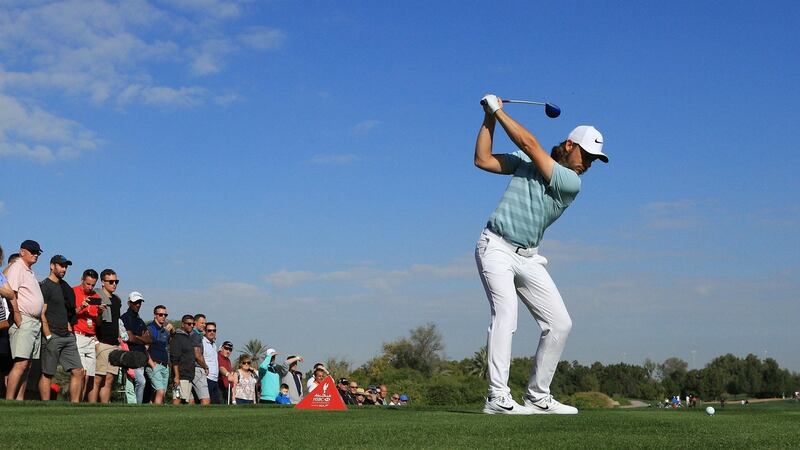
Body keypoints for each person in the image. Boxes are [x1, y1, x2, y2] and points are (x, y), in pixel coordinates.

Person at [474, 95, 609, 415]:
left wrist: (497, 109)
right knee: (506, 316)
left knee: (560, 323)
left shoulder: (570, 183)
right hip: (495, 246)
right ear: (568, 145)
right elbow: (483, 160)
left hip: (529, 257)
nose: (587, 164)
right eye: (585, 155)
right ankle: (497, 397)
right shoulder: (525, 159)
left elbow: (532, 143)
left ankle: (537, 395)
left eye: (593, 160)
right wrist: (489, 118)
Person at [38, 255, 84, 402]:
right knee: (48, 373)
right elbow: (41, 313)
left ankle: (75, 406)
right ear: (52, 266)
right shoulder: (45, 286)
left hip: (67, 335)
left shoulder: (65, 287)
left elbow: (69, 311)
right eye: (61, 265)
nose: (64, 269)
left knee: (78, 371)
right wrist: (48, 335)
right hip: (52, 334)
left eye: (66, 266)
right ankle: (45, 406)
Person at [5, 240, 45, 400]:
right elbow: (11, 293)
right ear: (22, 252)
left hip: (34, 321)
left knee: (27, 364)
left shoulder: (29, 270)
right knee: (21, 363)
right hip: (24, 319)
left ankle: (19, 400)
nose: (36, 254)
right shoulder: (17, 267)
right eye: (32, 251)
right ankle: (9, 399)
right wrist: (17, 315)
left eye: (37, 252)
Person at [73, 269, 101, 402]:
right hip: (78, 335)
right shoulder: (74, 292)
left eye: (93, 285)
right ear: (82, 280)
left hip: (91, 337)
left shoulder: (96, 296)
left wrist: (100, 312)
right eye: (88, 284)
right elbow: (69, 314)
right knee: (80, 372)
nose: (90, 287)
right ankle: (75, 401)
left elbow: (98, 322)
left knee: (90, 375)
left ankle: (82, 402)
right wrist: (81, 307)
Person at [94, 268, 122, 403]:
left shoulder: (117, 300)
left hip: (114, 343)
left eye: (116, 281)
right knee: (98, 377)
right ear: (103, 282)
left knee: (110, 378)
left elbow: (116, 321)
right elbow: (95, 321)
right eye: (111, 281)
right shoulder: (96, 296)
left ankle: (104, 407)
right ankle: (91, 407)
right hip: (102, 342)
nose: (114, 284)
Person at [120, 291, 151, 403]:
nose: (138, 305)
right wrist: (141, 339)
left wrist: (137, 338)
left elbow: (149, 339)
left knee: (133, 383)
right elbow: (129, 338)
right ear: (129, 303)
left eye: (139, 302)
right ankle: (138, 405)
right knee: (141, 382)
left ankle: (133, 406)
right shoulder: (124, 318)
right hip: (130, 355)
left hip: (141, 355)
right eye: (135, 302)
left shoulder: (140, 320)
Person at [146, 304, 170, 404]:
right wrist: (152, 365)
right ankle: (158, 415)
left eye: (165, 315)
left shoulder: (165, 332)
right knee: (160, 391)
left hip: (165, 366)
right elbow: (145, 349)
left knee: (161, 393)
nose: (163, 317)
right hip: (155, 365)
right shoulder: (150, 329)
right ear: (155, 315)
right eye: (160, 314)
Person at [170, 315, 196, 405]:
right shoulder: (177, 338)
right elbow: (174, 359)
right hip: (181, 375)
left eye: (193, 324)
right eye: (189, 324)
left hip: (188, 375)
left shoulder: (187, 337)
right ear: (182, 324)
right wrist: (176, 377)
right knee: (178, 398)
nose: (191, 326)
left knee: (189, 401)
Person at [190, 313, 210, 405]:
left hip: (188, 368)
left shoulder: (190, 334)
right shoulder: (195, 335)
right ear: (195, 323)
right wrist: (205, 366)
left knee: (190, 399)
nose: (204, 325)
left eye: (204, 323)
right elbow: (197, 355)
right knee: (205, 399)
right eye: (202, 323)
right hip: (197, 368)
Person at [202, 321, 220, 404]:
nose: (212, 332)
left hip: (215, 378)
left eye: (214, 330)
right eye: (209, 330)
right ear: (205, 331)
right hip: (207, 378)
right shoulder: (202, 343)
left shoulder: (214, 344)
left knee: (215, 404)